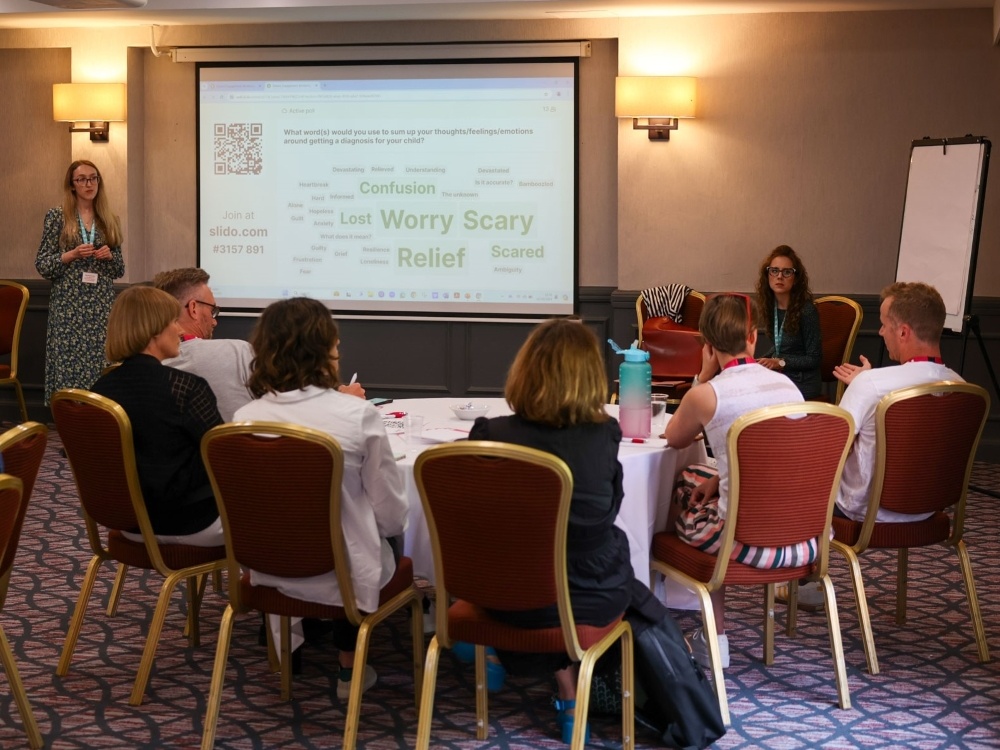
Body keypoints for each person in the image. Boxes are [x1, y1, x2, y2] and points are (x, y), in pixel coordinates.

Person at [468, 317, 671, 744]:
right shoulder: (603, 435)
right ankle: (569, 694)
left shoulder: (490, 435)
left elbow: (482, 522)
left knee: (523, 558)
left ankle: (502, 656)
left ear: (525, 369)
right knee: (578, 556)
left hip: (505, 598)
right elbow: (608, 512)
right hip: (589, 598)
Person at [234, 297, 407, 700]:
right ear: (323, 350)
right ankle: (349, 669)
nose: (339, 350)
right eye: (335, 343)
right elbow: (391, 517)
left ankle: (292, 647)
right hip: (341, 574)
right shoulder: (357, 415)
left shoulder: (243, 419)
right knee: (383, 534)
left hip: (267, 567)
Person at [664, 293, 811, 670]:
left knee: (678, 492)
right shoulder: (788, 388)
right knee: (704, 477)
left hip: (743, 543)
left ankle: (715, 637)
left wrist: (702, 376)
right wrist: (721, 478)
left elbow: (674, 438)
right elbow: (780, 462)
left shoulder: (706, 395)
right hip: (802, 538)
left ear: (707, 345)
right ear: (754, 336)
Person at [90, 286, 223, 546]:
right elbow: (223, 456)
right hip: (192, 522)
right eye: (173, 322)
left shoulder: (99, 391)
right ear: (153, 330)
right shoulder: (185, 388)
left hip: (129, 524)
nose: (180, 330)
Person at [154, 267, 366, 420]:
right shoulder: (236, 353)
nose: (215, 320)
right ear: (193, 308)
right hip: (247, 467)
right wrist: (341, 400)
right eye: (212, 310)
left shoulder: (147, 366)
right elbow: (289, 409)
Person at [834, 281, 962, 523]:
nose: (881, 332)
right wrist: (868, 382)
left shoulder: (872, 385)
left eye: (884, 325)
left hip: (865, 513)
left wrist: (866, 385)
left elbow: (830, 450)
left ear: (903, 332)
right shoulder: (962, 387)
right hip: (928, 511)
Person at [36, 160, 125, 404]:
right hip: (68, 306)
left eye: (93, 178)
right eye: (82, 179)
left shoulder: (109, 219)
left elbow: (119, 269)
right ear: (72, 185)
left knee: (100, 365)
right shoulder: (57, 216)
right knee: (68, 365)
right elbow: (42, 264)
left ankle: (100, 425)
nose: (89, 184)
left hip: (100, 306)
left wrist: (108, 257)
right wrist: (70, 255)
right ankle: (71, 426)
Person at [754, 245, 822, 399]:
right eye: (774, 271)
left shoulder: (807, 310)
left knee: (757, 396)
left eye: (787, 272)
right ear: (768, 275)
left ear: (796, 278)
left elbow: (814, 358)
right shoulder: (770, 306)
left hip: (803, 381)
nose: (779, 276)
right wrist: (757, 362)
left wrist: (781, 363)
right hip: (782, 375)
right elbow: (780, 348)